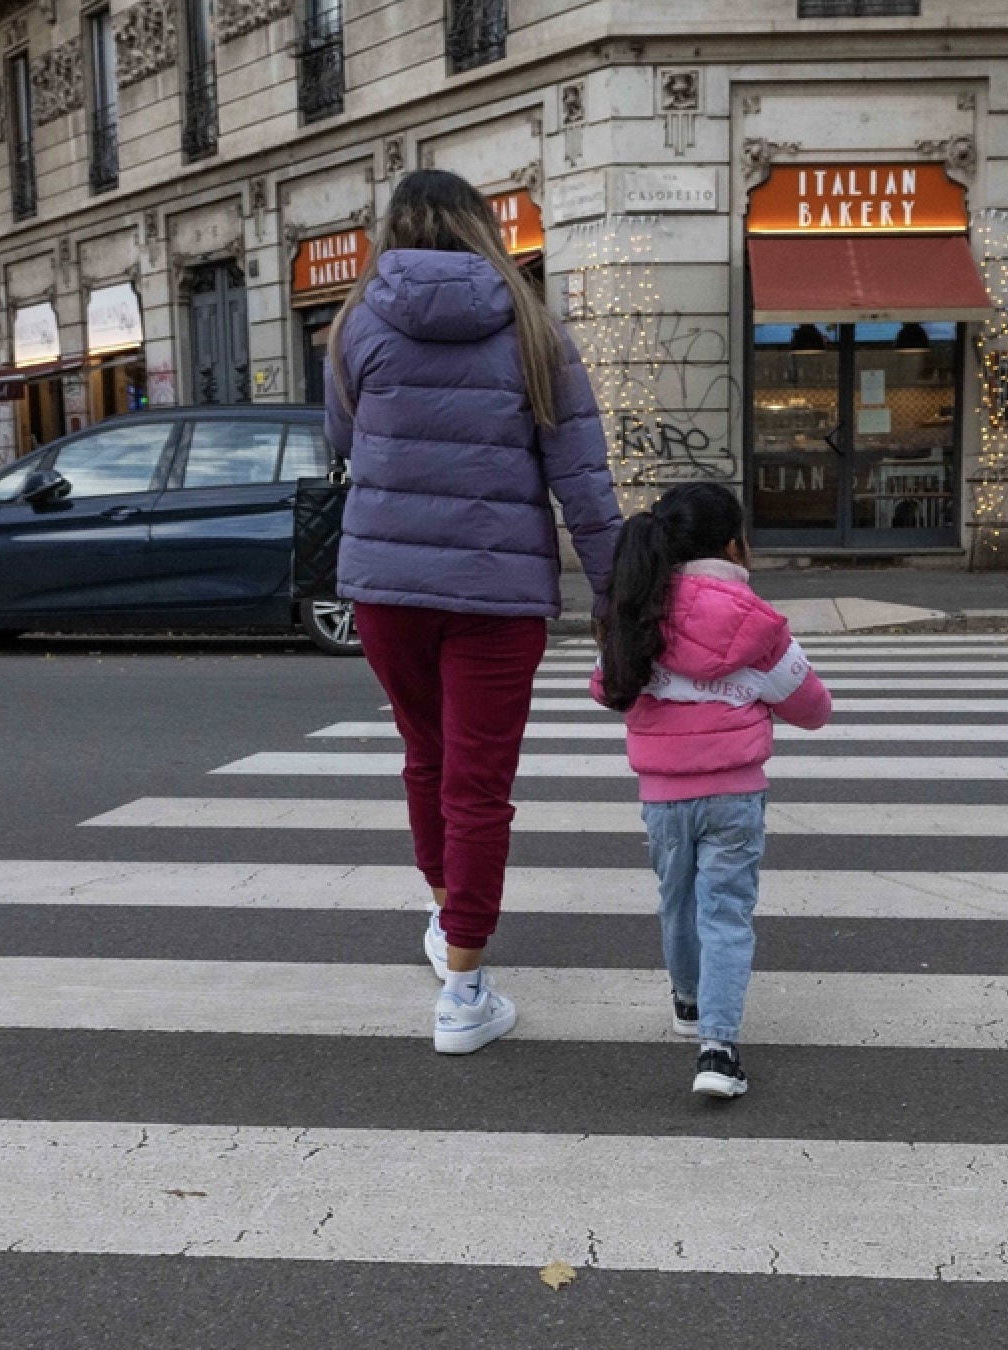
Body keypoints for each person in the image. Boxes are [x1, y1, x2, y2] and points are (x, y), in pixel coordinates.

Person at [325, 169, 624, 1055]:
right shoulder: (535, 329)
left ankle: (441, 908)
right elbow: (583, 479)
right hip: (499, 594)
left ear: (395, 228)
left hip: (387, 587)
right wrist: (613, 593)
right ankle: (463, 988)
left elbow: (345, 445)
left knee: (426, 756)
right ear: (483, 228)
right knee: (481, 784)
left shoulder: (356, 324)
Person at [589, 483, 832, 1099]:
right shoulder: (755, 624)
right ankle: (719, 1052)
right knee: (724, 912)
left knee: (677, 900)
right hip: (734, 794)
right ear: (734, 544)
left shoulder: (636, 609)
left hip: (662, 795)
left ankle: (688, 1002)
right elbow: (813, 707)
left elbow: (606, 685)